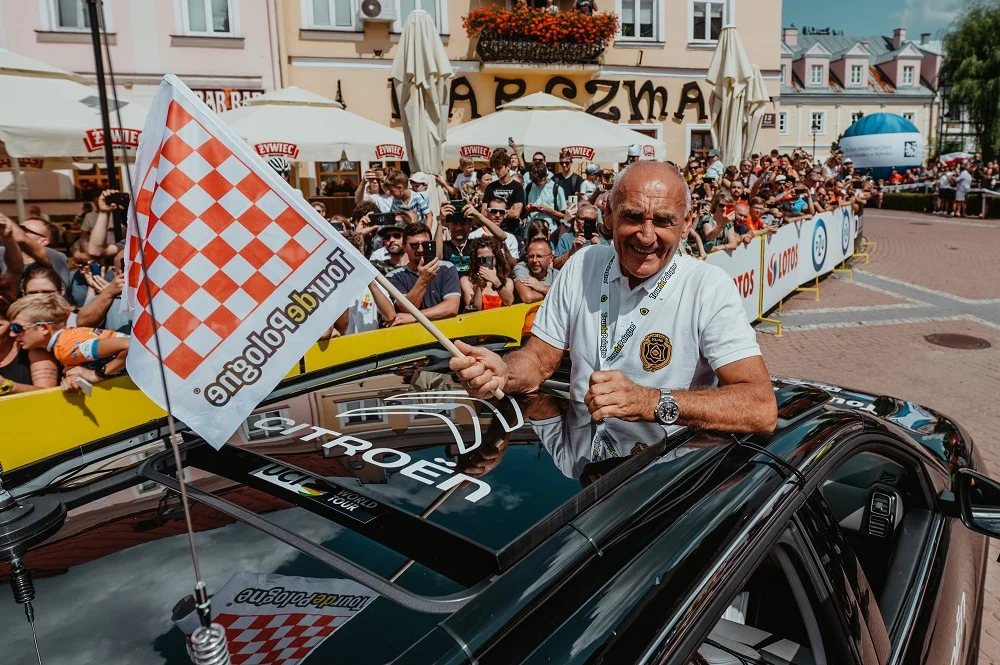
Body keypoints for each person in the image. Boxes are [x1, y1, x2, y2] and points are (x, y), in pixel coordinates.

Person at [449, 161, 776, 434]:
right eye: (633, 217)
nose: (646, 236)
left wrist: (648, 402)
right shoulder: (583, 264)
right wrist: (503, 372)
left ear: (686, 223)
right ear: (609, 215)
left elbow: (760, 406)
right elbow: (538, 359)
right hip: (584, 472)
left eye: (663, 221)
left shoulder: (708, 286)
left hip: (663, 478)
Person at [7, 292, 129, 394]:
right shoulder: (67, 337)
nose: (12, 334)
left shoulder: (66, 347)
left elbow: (128, 345)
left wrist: (97, 374)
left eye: (17, 328)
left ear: (44, 328)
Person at [386, 223, 461, 325]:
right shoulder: (393, 277)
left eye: (425, 245)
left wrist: (415, 317)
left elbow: (451, 307)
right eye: (414, 245)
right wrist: (423, 280)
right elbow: (404, 309)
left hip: (445, 332)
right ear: (404, 247)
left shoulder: (446, 268)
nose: (420, 250)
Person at [0, 295, 58, 395]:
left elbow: (49, 395)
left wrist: (6, 386)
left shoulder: (33, 349)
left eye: (16, 327)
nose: (12, 333)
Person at [460, 237, 514, 311]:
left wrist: (496, 282)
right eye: (480, 259)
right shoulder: (467, 281)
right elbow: (474, 310)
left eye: (488, 259)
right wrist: (479, 287)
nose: (484, 263)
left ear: (496, 258)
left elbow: (509, 301)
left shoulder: (507, 282)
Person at [554, 202, 608, 269]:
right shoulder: (566, 239)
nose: (585, 222)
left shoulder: (602, 243)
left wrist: (599, 249)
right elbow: (556, 265)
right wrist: (572, 251)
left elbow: (609, 267)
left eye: (589, 220)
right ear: (576, 220)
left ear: (596, 222)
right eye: (582, 219)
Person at [483, 148, 525, 224]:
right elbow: (484, 213)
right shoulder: (491, 187)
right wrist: (508, 210)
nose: (496, 171)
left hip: (512, 230)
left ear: (508, 166)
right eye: (495, 169)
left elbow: (516, 214)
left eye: (499, 168)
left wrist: (493, 211)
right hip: (493, 229)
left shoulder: (517, 187)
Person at [513, 238, 558, 304]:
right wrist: (555, 293)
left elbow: (567, 295)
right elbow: (528, 297)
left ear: (551, 258)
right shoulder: (521, 268)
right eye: (531, 256)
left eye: (539, 256)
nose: (534, 260)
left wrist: (541, 287)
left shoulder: (557, 275)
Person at [525, 162, 567, 226]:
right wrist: (528, 209)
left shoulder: (556, 189)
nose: (538, 184)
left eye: (540, 181)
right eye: (535, 182)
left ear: (546, 175)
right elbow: (523, 213)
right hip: (530, 228)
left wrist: (548, 210)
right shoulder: (528, 187)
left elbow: (564, 216)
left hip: (550, 229)